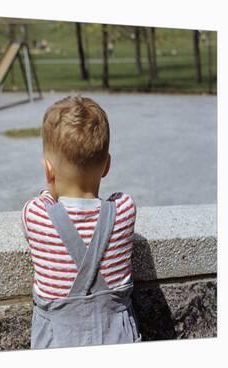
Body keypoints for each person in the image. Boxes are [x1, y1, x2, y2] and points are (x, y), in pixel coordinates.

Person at [21, 96, 141, 349]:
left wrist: (51, 188)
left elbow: (44, 200)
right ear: (106, 165)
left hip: (57, 342)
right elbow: (118, 198)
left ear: (48, 171)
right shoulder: (125, 210)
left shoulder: (35, 215)